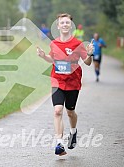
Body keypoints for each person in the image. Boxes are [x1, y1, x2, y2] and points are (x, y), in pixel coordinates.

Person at [36, 13, 94, 156]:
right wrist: (44, 56)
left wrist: (90, 54)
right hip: (57, 80)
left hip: (73, 82)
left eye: (67, 22)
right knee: (57, 111)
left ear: (71, 25)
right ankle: (59, 143)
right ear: (58, 26)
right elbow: (52, 59)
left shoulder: (77, 44)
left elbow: (87, 62)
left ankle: (73, 132)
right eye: (62, 23)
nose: (65, 25)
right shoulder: (54, 43)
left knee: (70, 112)